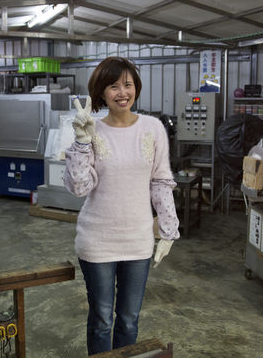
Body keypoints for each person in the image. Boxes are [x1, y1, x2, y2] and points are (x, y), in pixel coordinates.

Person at [63, 57, 180, 354]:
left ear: (136, 88)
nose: (122, 92)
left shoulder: (152, 128)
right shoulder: (92, 130)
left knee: (129, 320)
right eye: (113, 86)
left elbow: (161, 181)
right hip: (97, 240)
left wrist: (168, 230)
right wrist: (81, 142)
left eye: (128, 85)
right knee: (102, 320)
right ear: (101, 93)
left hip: (138, 240)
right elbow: (78, 188)